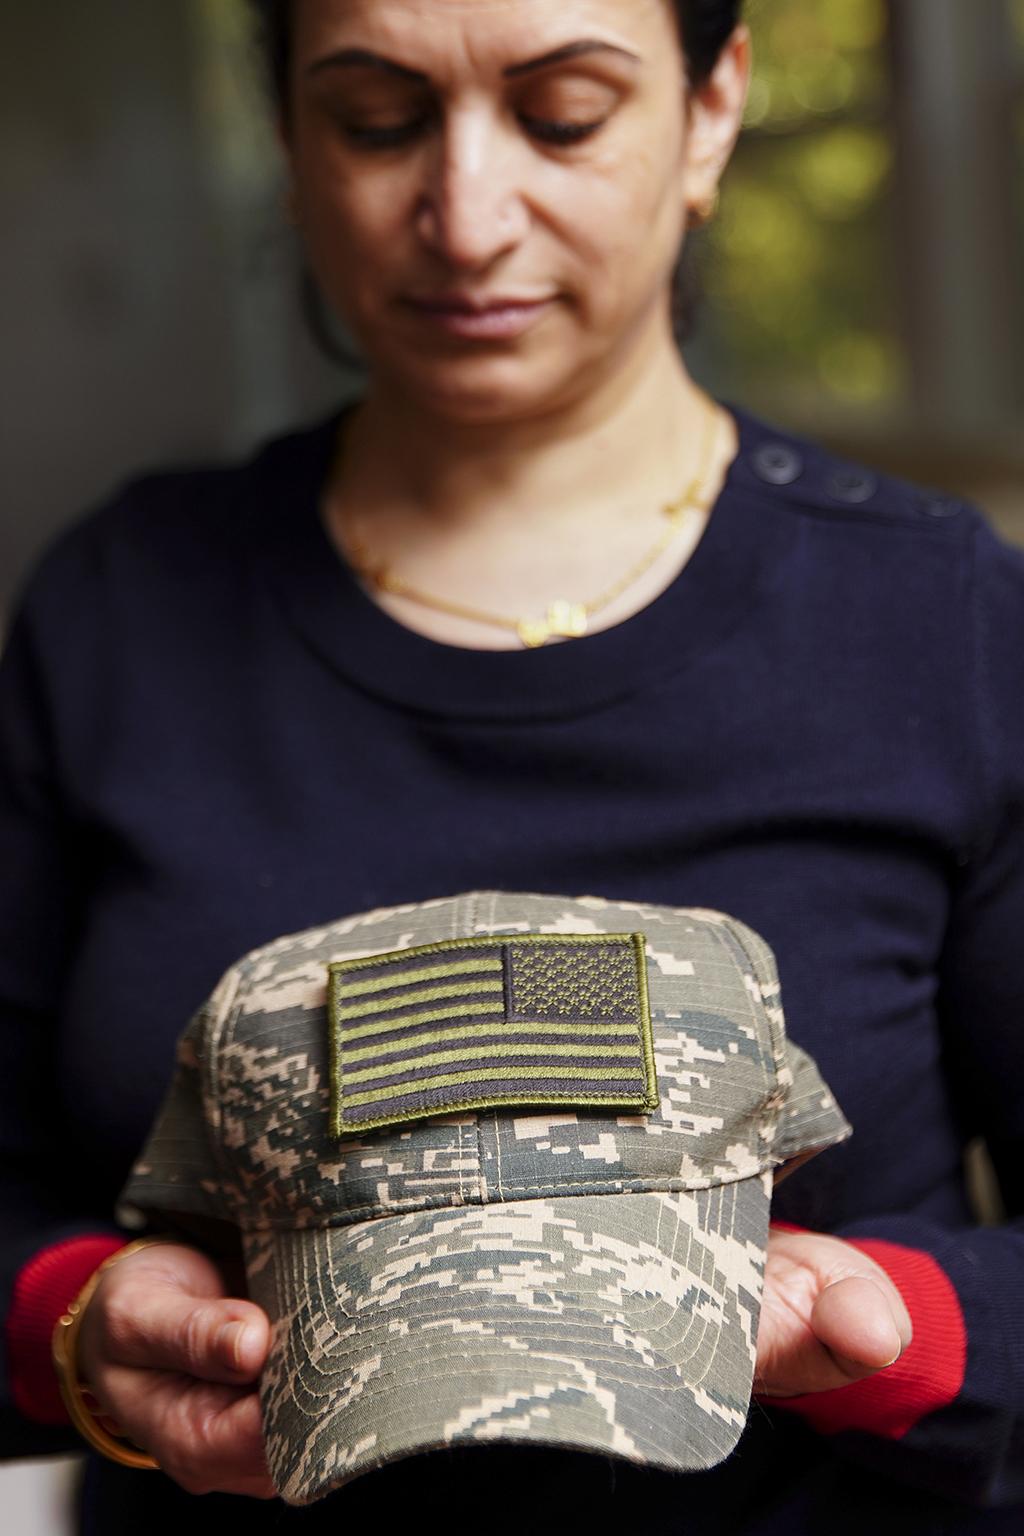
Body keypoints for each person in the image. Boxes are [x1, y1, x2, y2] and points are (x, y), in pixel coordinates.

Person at [1, 0, 1022, 1531]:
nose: (467, 219)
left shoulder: (943, 619)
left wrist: (904, 1332)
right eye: (376, 117)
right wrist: (71, 1328)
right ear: (287, 136)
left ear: (714, 109)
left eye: (562, 114)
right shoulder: (113, 612)